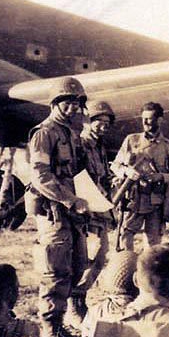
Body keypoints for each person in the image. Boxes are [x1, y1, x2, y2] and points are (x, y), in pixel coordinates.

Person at [26, 76, 89, 337]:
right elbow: (40, 175)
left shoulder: (70, 134)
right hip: (54, 212)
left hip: (72, 213)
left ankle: (61, 323)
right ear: (56, 103)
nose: (75, 107)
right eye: (69, 102)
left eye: (78, 102)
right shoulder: (45, 133)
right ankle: (49, 331)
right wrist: (70, 200)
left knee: (76, 268)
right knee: (54, 271)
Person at [111, 102, 169, 250]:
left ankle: (148, 271)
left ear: (159, 120)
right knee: (125, 238)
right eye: (143, 118)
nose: (145, 122)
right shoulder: (131, 140)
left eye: (150, 118)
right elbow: (115, 165)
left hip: (155, 202)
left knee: (153, 244)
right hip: (133, 200)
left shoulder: (168, 147)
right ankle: (126, 269)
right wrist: (127, 172)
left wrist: (162, 177)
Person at [72, 100, 117, 314]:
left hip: (99, 206)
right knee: (86, 255)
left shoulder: (100, 146)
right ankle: (74, 302)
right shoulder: (80, 144)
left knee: (101, 254)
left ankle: (80, 295)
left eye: (107, 123)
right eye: (99, 122)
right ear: (89, 121)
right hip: (85, 207)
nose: (103, 126)